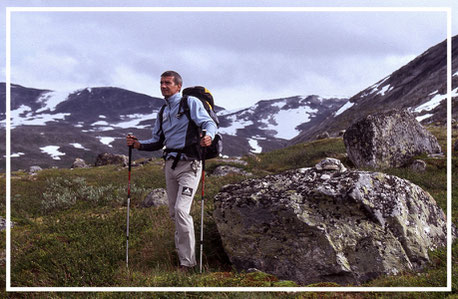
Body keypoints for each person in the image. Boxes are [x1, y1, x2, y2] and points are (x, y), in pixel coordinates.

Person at [126, 71, 217, 272]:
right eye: (161, 83)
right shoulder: (163, 111)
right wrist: (138, 145)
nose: (163, 86)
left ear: (178, 86)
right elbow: (157, 140)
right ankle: (182, 257)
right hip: (170, 165)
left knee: (181, 211)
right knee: (174, 214)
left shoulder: (189, 103)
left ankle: (188, 264)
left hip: (191, 165)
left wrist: (208, 136)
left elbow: (208, 123)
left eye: (167, 83)